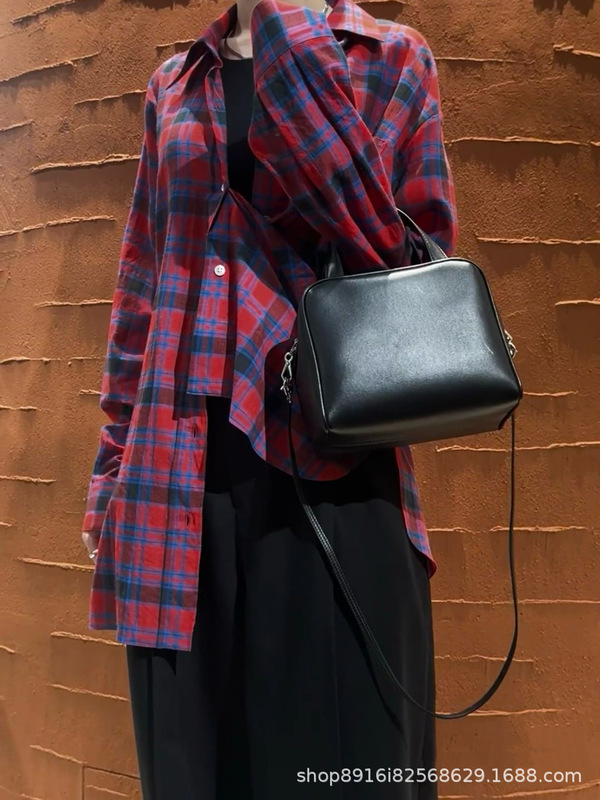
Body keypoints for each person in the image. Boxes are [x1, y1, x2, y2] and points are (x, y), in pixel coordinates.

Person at [81, 0, 457, 796]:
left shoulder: (393, 58)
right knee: (194, 770)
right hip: (174, 484)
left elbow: (405, 261)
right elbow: (142, 282)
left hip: (336, 467)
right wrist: (111, 472)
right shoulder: (173, 84)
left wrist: (292, 40)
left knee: (348, 770)